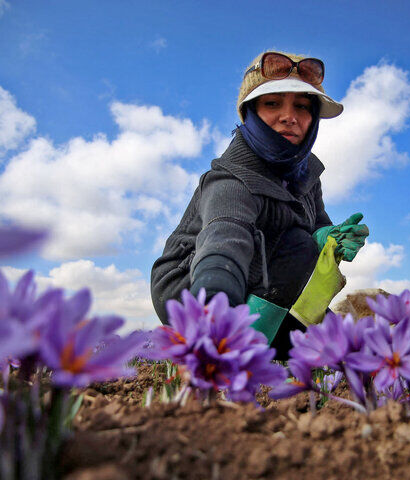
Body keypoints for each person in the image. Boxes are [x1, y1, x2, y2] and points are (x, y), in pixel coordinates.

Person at [150, 50, 369, 357]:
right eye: (272, 103)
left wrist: (329, 237)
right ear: (250, 111)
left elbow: (317, 225)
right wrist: (214, 307)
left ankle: (258, 342)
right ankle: (235, 356)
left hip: (268, 281)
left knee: (336, 344)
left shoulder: (306, 177)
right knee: (298, 246)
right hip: (194, 289)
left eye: (303, 107)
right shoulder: (232, 179)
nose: (289, 116)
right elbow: (224, 240)